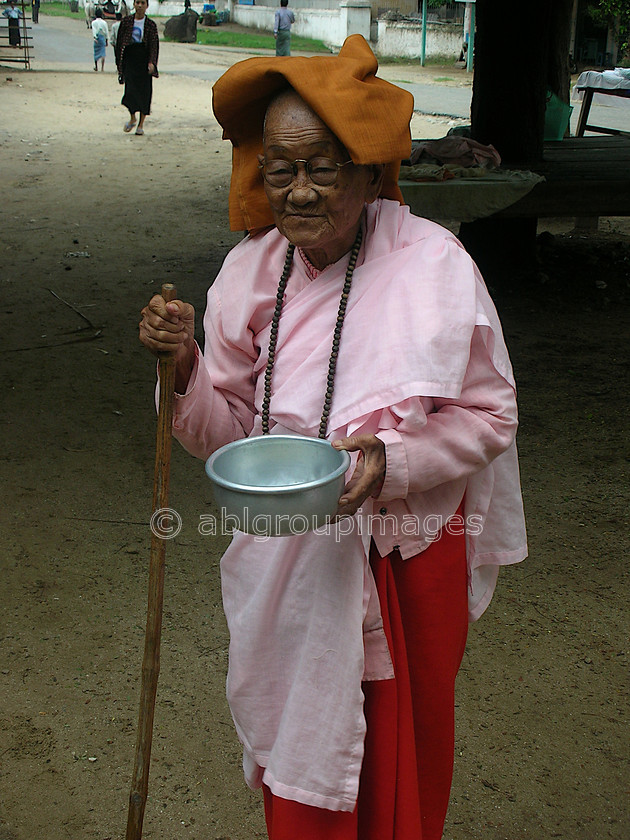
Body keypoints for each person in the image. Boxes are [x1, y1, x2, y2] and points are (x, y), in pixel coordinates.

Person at [139, 35, 527, 840]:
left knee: (401, 759)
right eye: (281, 169)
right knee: (303, 752)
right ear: (260, 175)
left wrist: (394, 460)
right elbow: (231, 436)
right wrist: (184, 369)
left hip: (409, 547)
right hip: (289, 555)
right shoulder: (247, 272)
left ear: (367, 171)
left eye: (324, 168)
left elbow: (492, 416)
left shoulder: (435, 265)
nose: (302, 193)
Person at [115, 0, 159, 136]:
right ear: (134, 5)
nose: (140, 5)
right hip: (130, 60)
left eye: (143, 3)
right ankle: (132, 117)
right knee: (130, 91)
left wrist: (152, 62)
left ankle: (140, 125)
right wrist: (120, 63)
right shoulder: (127, 22)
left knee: (144, 92)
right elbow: (120, 42)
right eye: (137, 2)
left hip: (144, 61)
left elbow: (154, 45)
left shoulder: (151, 25)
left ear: (147, 6)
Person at [91, 7, 109, 72]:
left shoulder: (93, 22)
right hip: (102, 38)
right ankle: (102, 67)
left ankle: (96, 66)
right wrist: (106, 40)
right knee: (103, 53)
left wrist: (94, 37)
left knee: (96, 52)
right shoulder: (104, 23)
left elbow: (94, 30)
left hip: (97, 38)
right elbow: (106, 32)